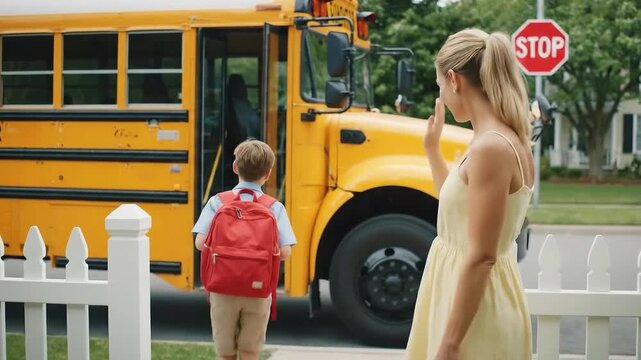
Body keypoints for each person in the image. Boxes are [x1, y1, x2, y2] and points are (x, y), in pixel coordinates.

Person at [405, 28, 534, 360]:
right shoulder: (494, 140)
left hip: (473, 318)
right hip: (467, 305)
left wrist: (450, 341)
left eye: (439, 87)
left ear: (453, 79)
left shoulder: (491, 147)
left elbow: (481, 256)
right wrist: (432, 150)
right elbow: (459, 215)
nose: (442, 96)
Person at [193, 139, 297, 360]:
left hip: (222, 289)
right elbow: (285, 252)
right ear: (268, 174)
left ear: (234, 167)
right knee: (250, 351)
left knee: (225, 352)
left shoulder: (217, 202)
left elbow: (201, 244)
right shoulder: (274, 207)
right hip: (259, 290)